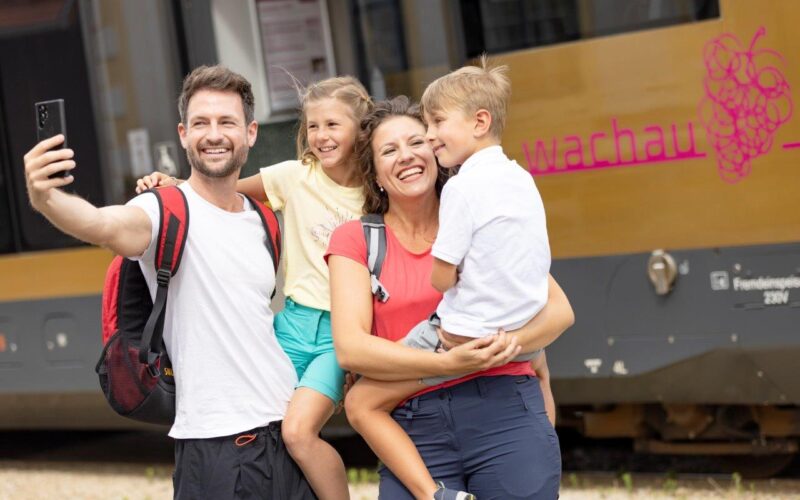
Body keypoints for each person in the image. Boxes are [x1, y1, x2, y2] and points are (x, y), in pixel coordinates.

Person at [24, 65, 315, 500]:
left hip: (287, 438)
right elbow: (102, 225)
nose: (213, 134)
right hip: (218, 452)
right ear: (183, 134)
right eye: (200, 123)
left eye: (226, 122)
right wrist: (46, 197)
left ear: (250, 132)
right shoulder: (162, 211)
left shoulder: (262, 221)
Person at [136, 76, 372, 500]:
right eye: (313, 126)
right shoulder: (293, 177)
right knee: (271, 430)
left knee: (298, 433)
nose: (321, 136)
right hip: (292, 324)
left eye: (334, 125)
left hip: (339, 335)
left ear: (361, 129)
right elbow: (217, 194)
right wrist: (170, 185)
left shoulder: (375, 198)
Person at [327, 96, 573, 500]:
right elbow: (351, 350)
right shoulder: (357, 240)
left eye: (417, 142)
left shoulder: (481, 211)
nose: (407, 156)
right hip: (415, 432)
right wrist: (452, 363)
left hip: (504, 413)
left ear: (437, 149)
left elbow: (559, 311)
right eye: (389, 150)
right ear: (375, 175)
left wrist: (495, 349)